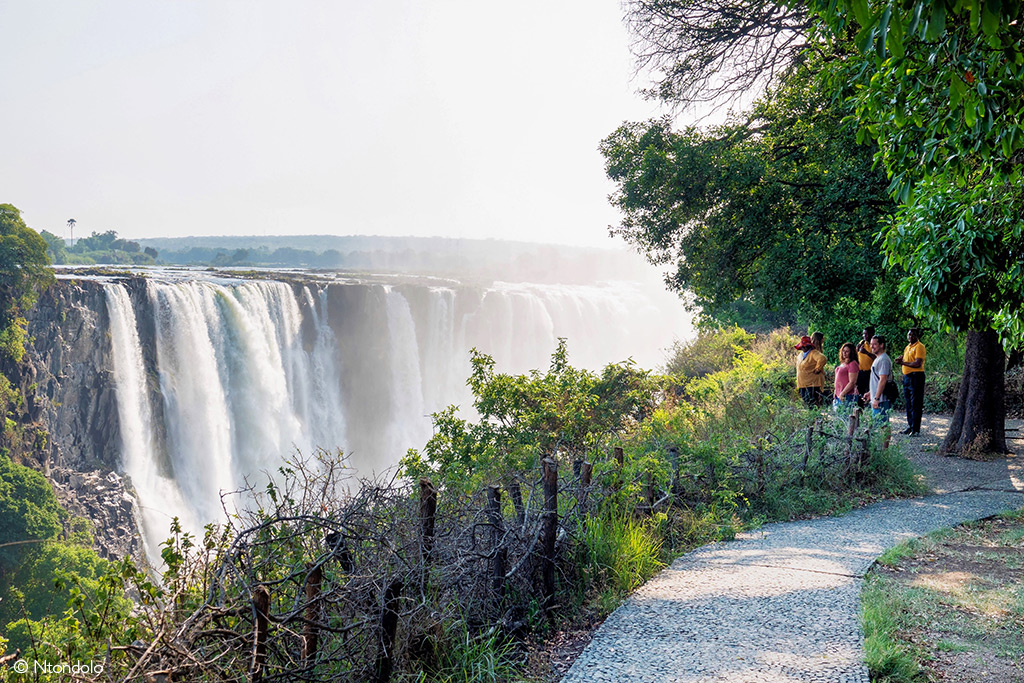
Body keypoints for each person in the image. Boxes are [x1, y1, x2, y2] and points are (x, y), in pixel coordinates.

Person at [896, 328, 926, 436]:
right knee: (908, 403)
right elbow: (907, 361)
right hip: (907, 377)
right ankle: (910, 426)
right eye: (909, 335)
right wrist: (901, 361)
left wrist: (903, 362)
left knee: (916, 403)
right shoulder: (907, 347)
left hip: (916, 377)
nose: (910, 337)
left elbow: (917, 363)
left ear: (917, 336)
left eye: (913, 335)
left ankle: (916, 429)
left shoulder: (919, 347)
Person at [868, 335, 893, 448]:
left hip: (882, 399)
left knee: (883, 425)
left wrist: (877, 398)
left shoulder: (883, 359)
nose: (871, 346)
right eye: (871, 344)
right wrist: (870, 393)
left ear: (881, 345)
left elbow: (883, 379)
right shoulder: (878, 359)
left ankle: (884, 450)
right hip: (876, 397)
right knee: (877, 424)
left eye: (874, 344)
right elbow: (877, 379)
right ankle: (878, 448)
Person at [795, 333, 826, 407]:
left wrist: (818, 369)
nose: (804, 348)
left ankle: (815, 417)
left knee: (811, 403)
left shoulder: (813, 353)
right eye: (802, 347)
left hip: (812, 383)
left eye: (806, 346)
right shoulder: (801, 355)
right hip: (802, 383)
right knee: (806, 402)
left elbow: (822, 359)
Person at [833, 342, 860, 412]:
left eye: (847, 351)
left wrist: (843, 393)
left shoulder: (853, 364)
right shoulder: (843, 363)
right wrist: (836, 392)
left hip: (848, 395)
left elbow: (852, 382)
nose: (844, 353)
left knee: (847, 417)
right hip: (839, 395)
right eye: (843, 351)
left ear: (851, 352)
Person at [855, 326, 876, 399]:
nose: (864, 336)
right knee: (860, 392)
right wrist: (856, 350)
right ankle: (861, 408)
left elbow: (878, 358)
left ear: (872, 334)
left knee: (870, 391)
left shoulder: (875, 345)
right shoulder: (862, 343)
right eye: (863, 334)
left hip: (870, 372)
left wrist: (866, 353)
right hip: (860, 372)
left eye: (866, 334)